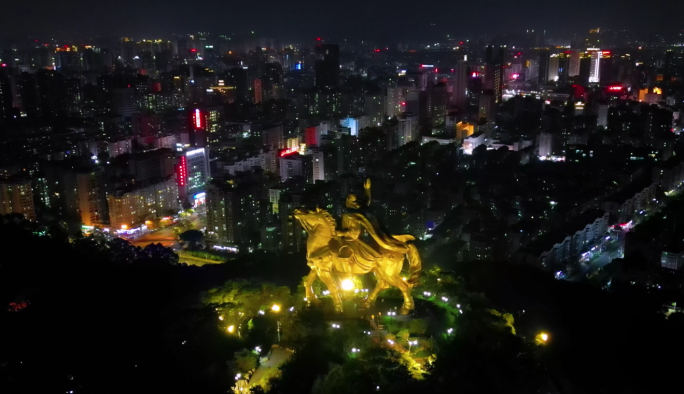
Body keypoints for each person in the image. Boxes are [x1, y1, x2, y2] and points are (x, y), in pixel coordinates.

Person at [336, 179, 414, 264]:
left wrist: (343, 233)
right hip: (346, 238)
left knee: (343, 253)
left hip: (352, 240)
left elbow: (355, 231)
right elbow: (366, 201)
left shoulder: (354, 214)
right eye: (350, 199)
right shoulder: (348, 212)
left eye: (353, 201)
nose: (352, 202)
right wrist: (367, 189)